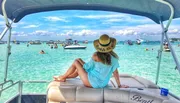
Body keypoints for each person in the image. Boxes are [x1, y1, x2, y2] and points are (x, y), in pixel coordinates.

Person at [53, 34, 128, 88]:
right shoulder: (114, 58)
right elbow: (116, 73)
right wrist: (119, 85)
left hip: (92, 82)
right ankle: (64, 77)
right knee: (79, 69)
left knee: (76, 61)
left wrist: (80, 60)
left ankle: (63, 77)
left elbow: (86, 67)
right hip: (103, 84)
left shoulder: (96, 55)